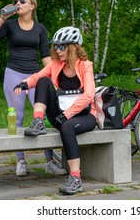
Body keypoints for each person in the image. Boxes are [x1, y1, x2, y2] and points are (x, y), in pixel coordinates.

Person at [0, 0, 66, 177]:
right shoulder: (10, 25)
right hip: (14, 74)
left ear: (32, 6)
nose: (18, 3)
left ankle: (49, 161)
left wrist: (57, 77)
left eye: (22, 1)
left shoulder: (40, 28)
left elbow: (46, 56)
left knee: (42, 117)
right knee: (18, 117)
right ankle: (20, 161)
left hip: (35, 76)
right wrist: (1, 18)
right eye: (16, 1)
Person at [13, 26, 97, 195]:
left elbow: (89, 95)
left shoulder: (85, 66)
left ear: (73, 47)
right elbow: (38, 76)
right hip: (61, 113)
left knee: (67, 127)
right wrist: (25, 83)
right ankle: (38, 121)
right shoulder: (56, 64)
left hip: (84, 115)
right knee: (44, 81)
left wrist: (67, 115)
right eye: (55, 47)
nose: (57, 51)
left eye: (61, 47)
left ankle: (75, 179)